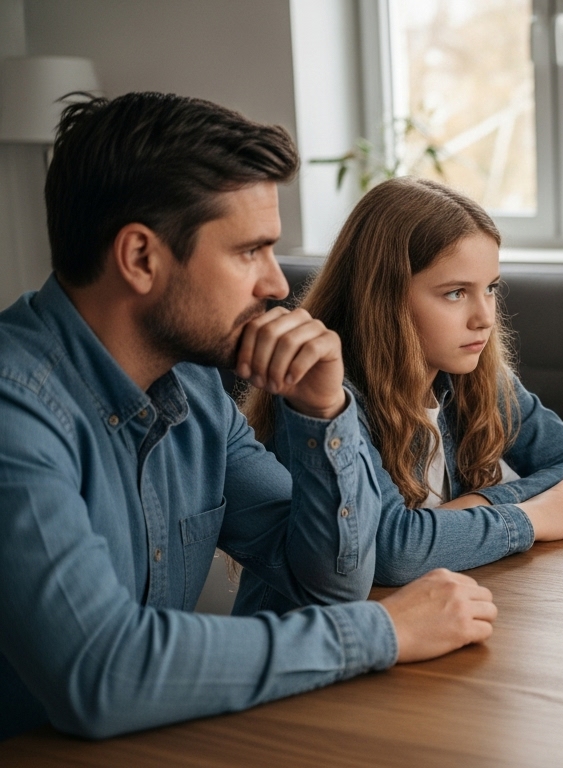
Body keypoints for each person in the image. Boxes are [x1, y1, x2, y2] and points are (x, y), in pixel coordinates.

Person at [0, 93, 498, 741]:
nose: (274, 285)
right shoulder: (16, 409)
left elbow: (329, 582)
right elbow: (104, 674)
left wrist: (323, 412)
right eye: (249, 252)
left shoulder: (197, 389)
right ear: (141, 258)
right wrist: (386, 630)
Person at [239, 177, 563, 609]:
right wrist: (528, 518)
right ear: (385, 298)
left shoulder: (475, 377)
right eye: (456, 293)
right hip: (318, 645)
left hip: (419, 628)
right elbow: (394, 553)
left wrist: (477, 505)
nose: (484, 318)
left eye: (491, 288)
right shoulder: (324, 397)